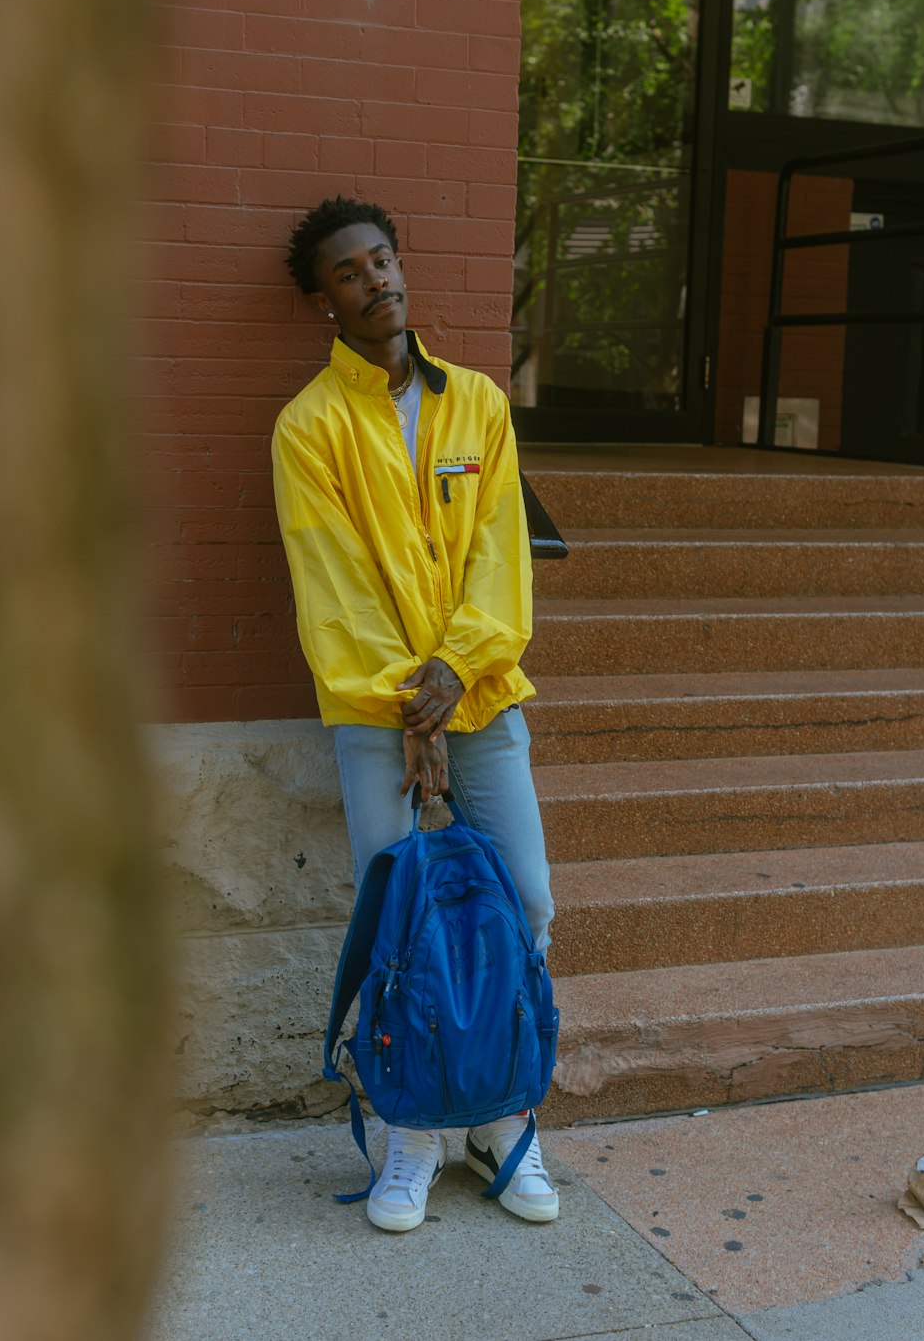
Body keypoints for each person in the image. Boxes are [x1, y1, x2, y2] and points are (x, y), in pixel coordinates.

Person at [272, 195, 558, 1232]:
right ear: (323, 301)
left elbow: (499, 553)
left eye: (384, 260)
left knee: (522, 904)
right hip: (377, 713)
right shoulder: (309, 427)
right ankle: (410, 1140)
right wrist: (407, 704)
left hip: (478, 696)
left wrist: (456, 667)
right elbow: (333, 584)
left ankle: (504, 1125)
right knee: (397, 926)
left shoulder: (478, 402)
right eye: (350, 272)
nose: (376, 280)